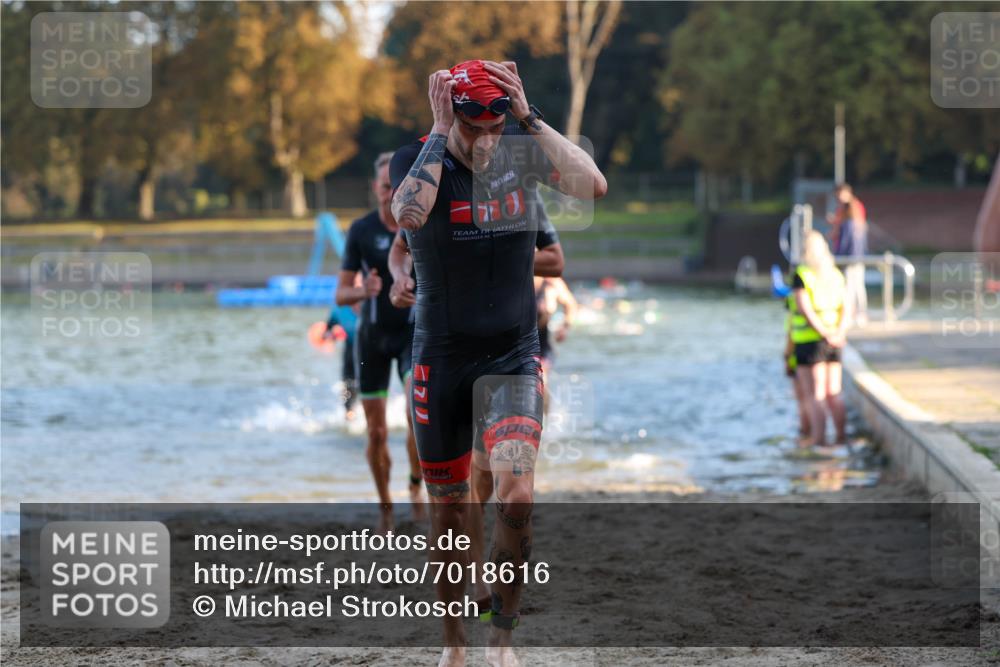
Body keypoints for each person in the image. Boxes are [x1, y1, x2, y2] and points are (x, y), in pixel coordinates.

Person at [388, 59, 606, 667]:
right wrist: (438, 132)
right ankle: (454, 644)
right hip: (441, 358)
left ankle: (501, 639)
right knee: (452, 509)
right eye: (471, 124)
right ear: (449, 113)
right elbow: (407, 216)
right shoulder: (418, 158)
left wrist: (529, 115)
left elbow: (592, 185)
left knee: (517, 493)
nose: (485, 138)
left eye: (494, 123)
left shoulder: (521, 152)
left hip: (512, 355)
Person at [336, 152, 424, 532]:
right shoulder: (360, 230)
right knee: (376, 432)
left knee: (416, 420)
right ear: (376, 188)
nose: (391, 193)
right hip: (372, 339)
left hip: (411, 335)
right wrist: (363, 291)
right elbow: (340, 295)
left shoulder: (419, 226)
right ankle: (386, 506)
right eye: (385, 187)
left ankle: (415, 486)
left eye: (397, 187)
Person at [791, 231, 850, 448]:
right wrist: (839, 333)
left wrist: (824, 333)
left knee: (814, 394)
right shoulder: (835, 274)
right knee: (834, 392)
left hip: (810, 340)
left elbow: (804, 308)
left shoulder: (802, 274)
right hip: (835, 339)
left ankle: (819, 440)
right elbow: (847, 306)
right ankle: (842, 437)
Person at [827, 183, 868, 327]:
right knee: (853, 285)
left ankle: (857, 314)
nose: (838, 198)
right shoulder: (844, 213)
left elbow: (849, 237)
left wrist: (840, 256)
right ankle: (856, 313)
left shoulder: (852, 211)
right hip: (851, 255)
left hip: (851, 255)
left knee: (853, 285)